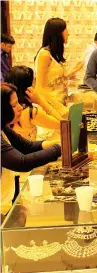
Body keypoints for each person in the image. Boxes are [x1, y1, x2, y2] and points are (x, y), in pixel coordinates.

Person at [1, 82, 61, 216]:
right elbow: (23, 162)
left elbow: (27, 147)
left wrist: (58, 143)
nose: (20, 108)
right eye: (14, 105)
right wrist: (58, 149)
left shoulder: (3, 126)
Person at [35, 17, 83, 118]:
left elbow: (54, 80)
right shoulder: (44, 54)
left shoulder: (54, 54)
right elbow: (39, 88)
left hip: (61, 105)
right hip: (51, 109)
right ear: (58, 33)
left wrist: (73, 71)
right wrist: (59, 107)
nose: (68, 33)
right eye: (66, 30)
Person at [4, 66, 61, 140]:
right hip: (27, 151)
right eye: (34, 81)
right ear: (28, 88)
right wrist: (40, 101)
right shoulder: (29, 112)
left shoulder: (4, 105)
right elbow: (62, 124)